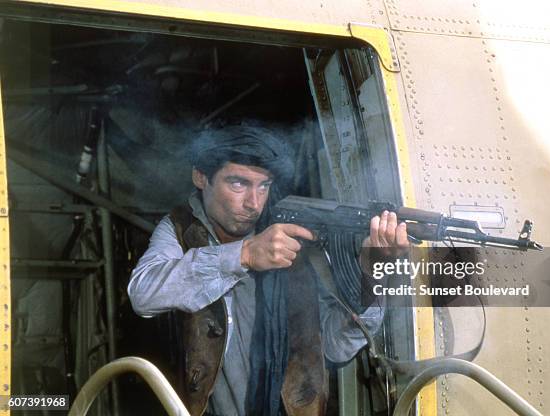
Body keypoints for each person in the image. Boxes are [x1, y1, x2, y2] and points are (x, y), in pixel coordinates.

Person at [128, 125, 409, 416]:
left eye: (264, 186)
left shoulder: (295, 239)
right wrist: (245, 254)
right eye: (238, 184)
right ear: (201, 177)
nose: (253, 203)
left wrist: (372, 272)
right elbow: (143, 294)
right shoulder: (179, 228)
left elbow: (337, 346)